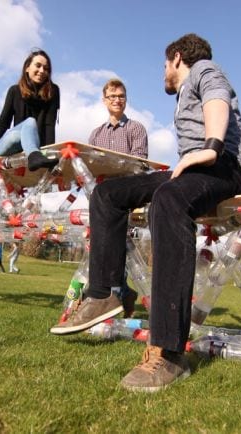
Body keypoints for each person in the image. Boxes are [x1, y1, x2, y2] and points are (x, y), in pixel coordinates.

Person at [51, 33, 241, 393]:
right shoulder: (183, 95)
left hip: (225, 167)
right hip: (195, 169)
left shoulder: (204, 70)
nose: (163, 71)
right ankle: (106, 293)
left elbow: (218, 100)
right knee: (108, 194)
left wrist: (211, 147)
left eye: (164, 64)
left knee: (168, 199)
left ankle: (170, 352)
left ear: (177, 58)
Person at [88, 78, 149, 317]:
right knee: (103, 248)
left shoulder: (135, 129)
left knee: (122, 250)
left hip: (127, 197)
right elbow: (91, 165)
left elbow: (140, 165)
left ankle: (114, 296)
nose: (117, 100)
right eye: (112, 96)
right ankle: (118, 294)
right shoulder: (95, 134)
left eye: (121, 96)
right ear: (104, 100)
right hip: (103, 200)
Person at [0, 49, 60, 171]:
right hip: (13, 144)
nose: (42, 71)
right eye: (38, 66)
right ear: (27, 68)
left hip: (35, 145)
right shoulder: (14, 91)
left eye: (46, 68)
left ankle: (34, 155)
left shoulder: (53, 91)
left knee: (29, 124)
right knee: (28, 123)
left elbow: (49, 125)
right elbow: (3, 123)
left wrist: (49, 154)